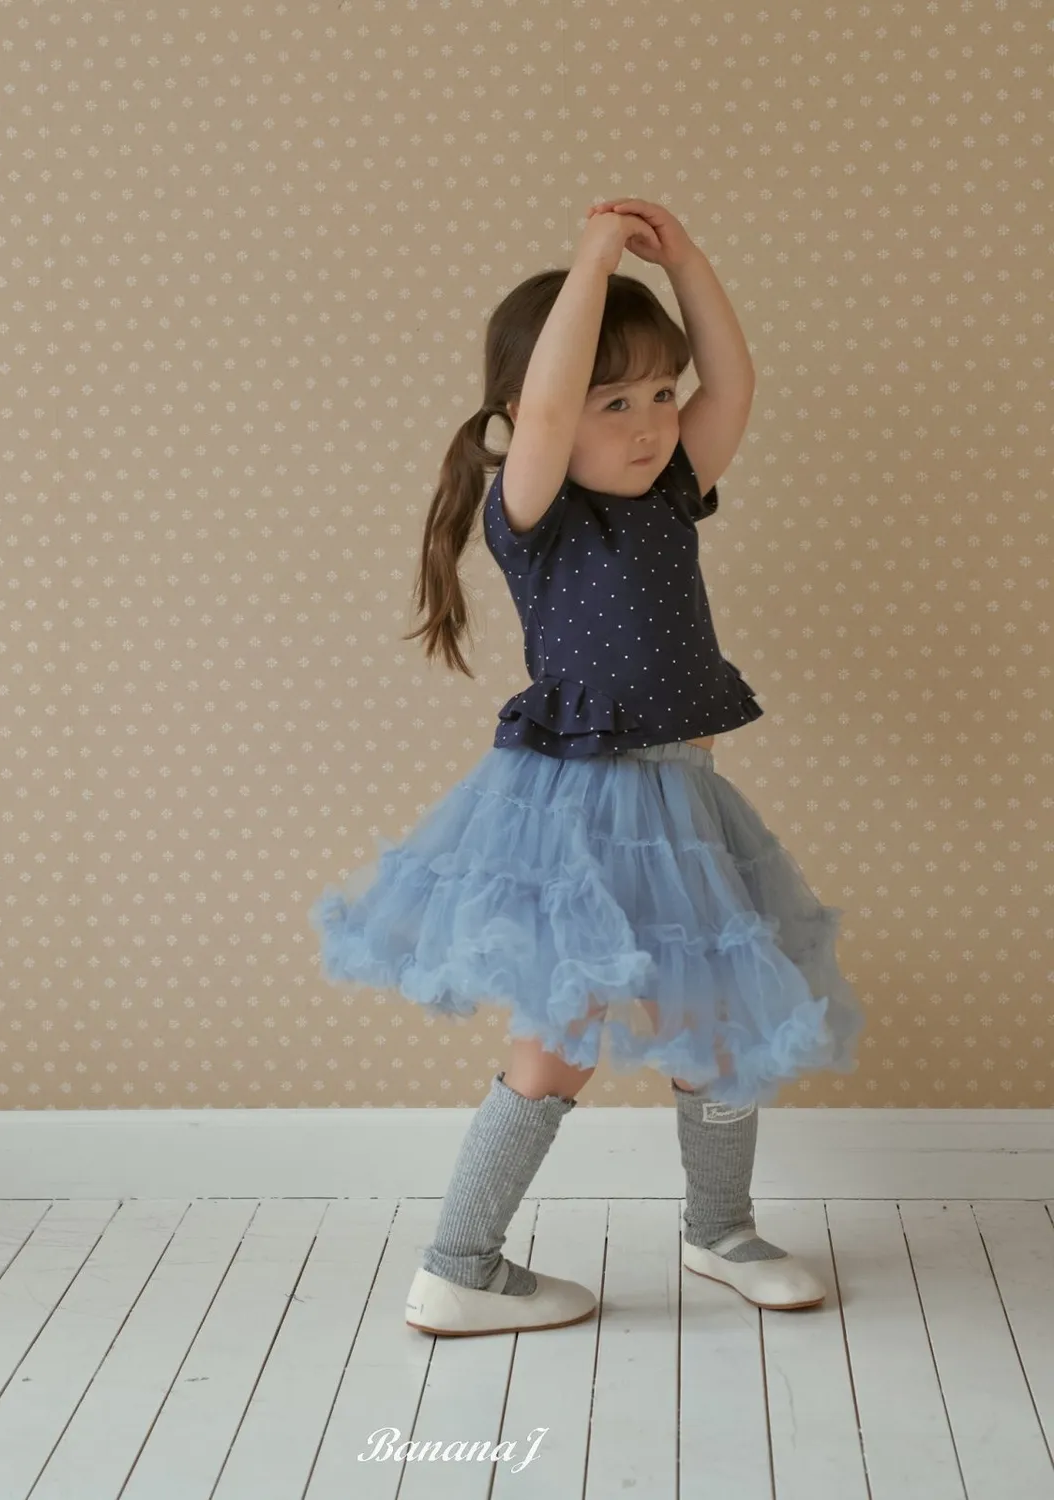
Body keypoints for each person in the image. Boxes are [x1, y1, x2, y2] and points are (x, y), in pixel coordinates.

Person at [309, 197, 865, 1338]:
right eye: (617, 404)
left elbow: (734, 384)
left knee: (715, 1029)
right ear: (533, 419)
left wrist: (688, 259)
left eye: (659, 395)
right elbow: (553, 401)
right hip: (579, 813)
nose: (652, 424)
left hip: (681, 802)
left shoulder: (671, 495)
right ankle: (459, 1264)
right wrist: (592, 264)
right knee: (556, 1049)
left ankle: (721, 1230)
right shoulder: (535, 514)